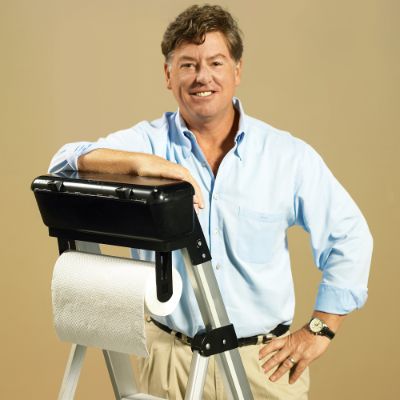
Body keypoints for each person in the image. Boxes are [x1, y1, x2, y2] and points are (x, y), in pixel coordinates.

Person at [49, 4, 373, 399]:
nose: (202, 76)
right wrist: (146, 164)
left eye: (215, 63)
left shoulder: (288, 157)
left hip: (262, 366)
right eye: (188, 65)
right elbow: (63, 164)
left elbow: (350, 238)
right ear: (168, 75)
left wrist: (320, 330)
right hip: (171, 364)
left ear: (237, 70)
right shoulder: (146, 143)